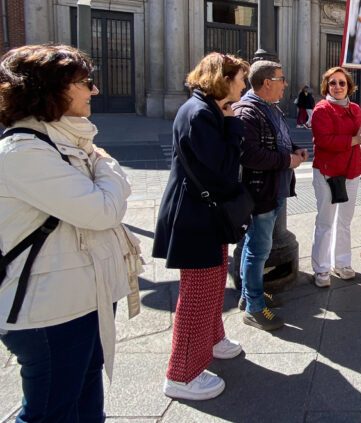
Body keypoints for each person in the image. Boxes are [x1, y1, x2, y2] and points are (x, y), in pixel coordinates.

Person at [0, 44, 138, 422]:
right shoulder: (24, 151)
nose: (95, 90)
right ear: (50, 89)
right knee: (50, 412)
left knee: (85, 394)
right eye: (85, 82)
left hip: (82, 296)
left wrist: (101, 166)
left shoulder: (66, 140)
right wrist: (106, 164)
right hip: (48, 311)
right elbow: (103, 211)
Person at [153, 52, 250, 400]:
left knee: (213, 283)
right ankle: (181, 375)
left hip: (204, 212)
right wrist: (234, 125)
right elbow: (223, 167)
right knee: (197, 294)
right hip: (195, 217)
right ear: (224, 80)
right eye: (241, 78)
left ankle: (213, 339)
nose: (244, 85)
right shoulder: (200, 113)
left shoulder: (206, 109)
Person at [232, 61, 307, 330]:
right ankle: (254, 308)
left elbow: (280, 138)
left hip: (272, 190)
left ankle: (249, 295)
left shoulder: (270, 107)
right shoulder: (246, 111)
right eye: (281, 79)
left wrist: (295, 148)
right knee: (258, 249)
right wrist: (287, 161)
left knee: (256, 246)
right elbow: (249, 155)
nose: (285, 84)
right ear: (266, 83)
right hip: (260, 192)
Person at [311, 67, 361, 285]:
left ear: (349, 86)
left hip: (351, 171)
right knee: (325, 221)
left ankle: (342, 262)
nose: (337, 87)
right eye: (333, 83)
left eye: (342, 83)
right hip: (328, 172)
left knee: (344, 220)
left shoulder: (355, 108)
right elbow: (324, 140)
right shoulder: (321, 109)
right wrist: (355, 140)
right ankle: (321, 268)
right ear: (326, 86)